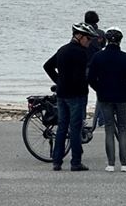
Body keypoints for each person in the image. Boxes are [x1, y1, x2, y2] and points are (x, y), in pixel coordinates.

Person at [43, 22, 97, 171]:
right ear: (79, 36)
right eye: (88, 38)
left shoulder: (62, 50)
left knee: (62, 127)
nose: (89, 41)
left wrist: (58, 81)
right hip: (76, 95)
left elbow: (47, 66)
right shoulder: (80, 53)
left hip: (62, 94)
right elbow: (82, 76)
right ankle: (76, 162)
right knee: (75, 128)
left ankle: (57, 161)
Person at [87, 27, 126, 172]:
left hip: (104, 96)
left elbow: (91, 78)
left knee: (109, 128)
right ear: (120, 41)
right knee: (122, 128)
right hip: (122, 97)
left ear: (106, 40)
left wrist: (99, 89)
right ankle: (124, 164)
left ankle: (110, 163)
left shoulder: (98, 57)